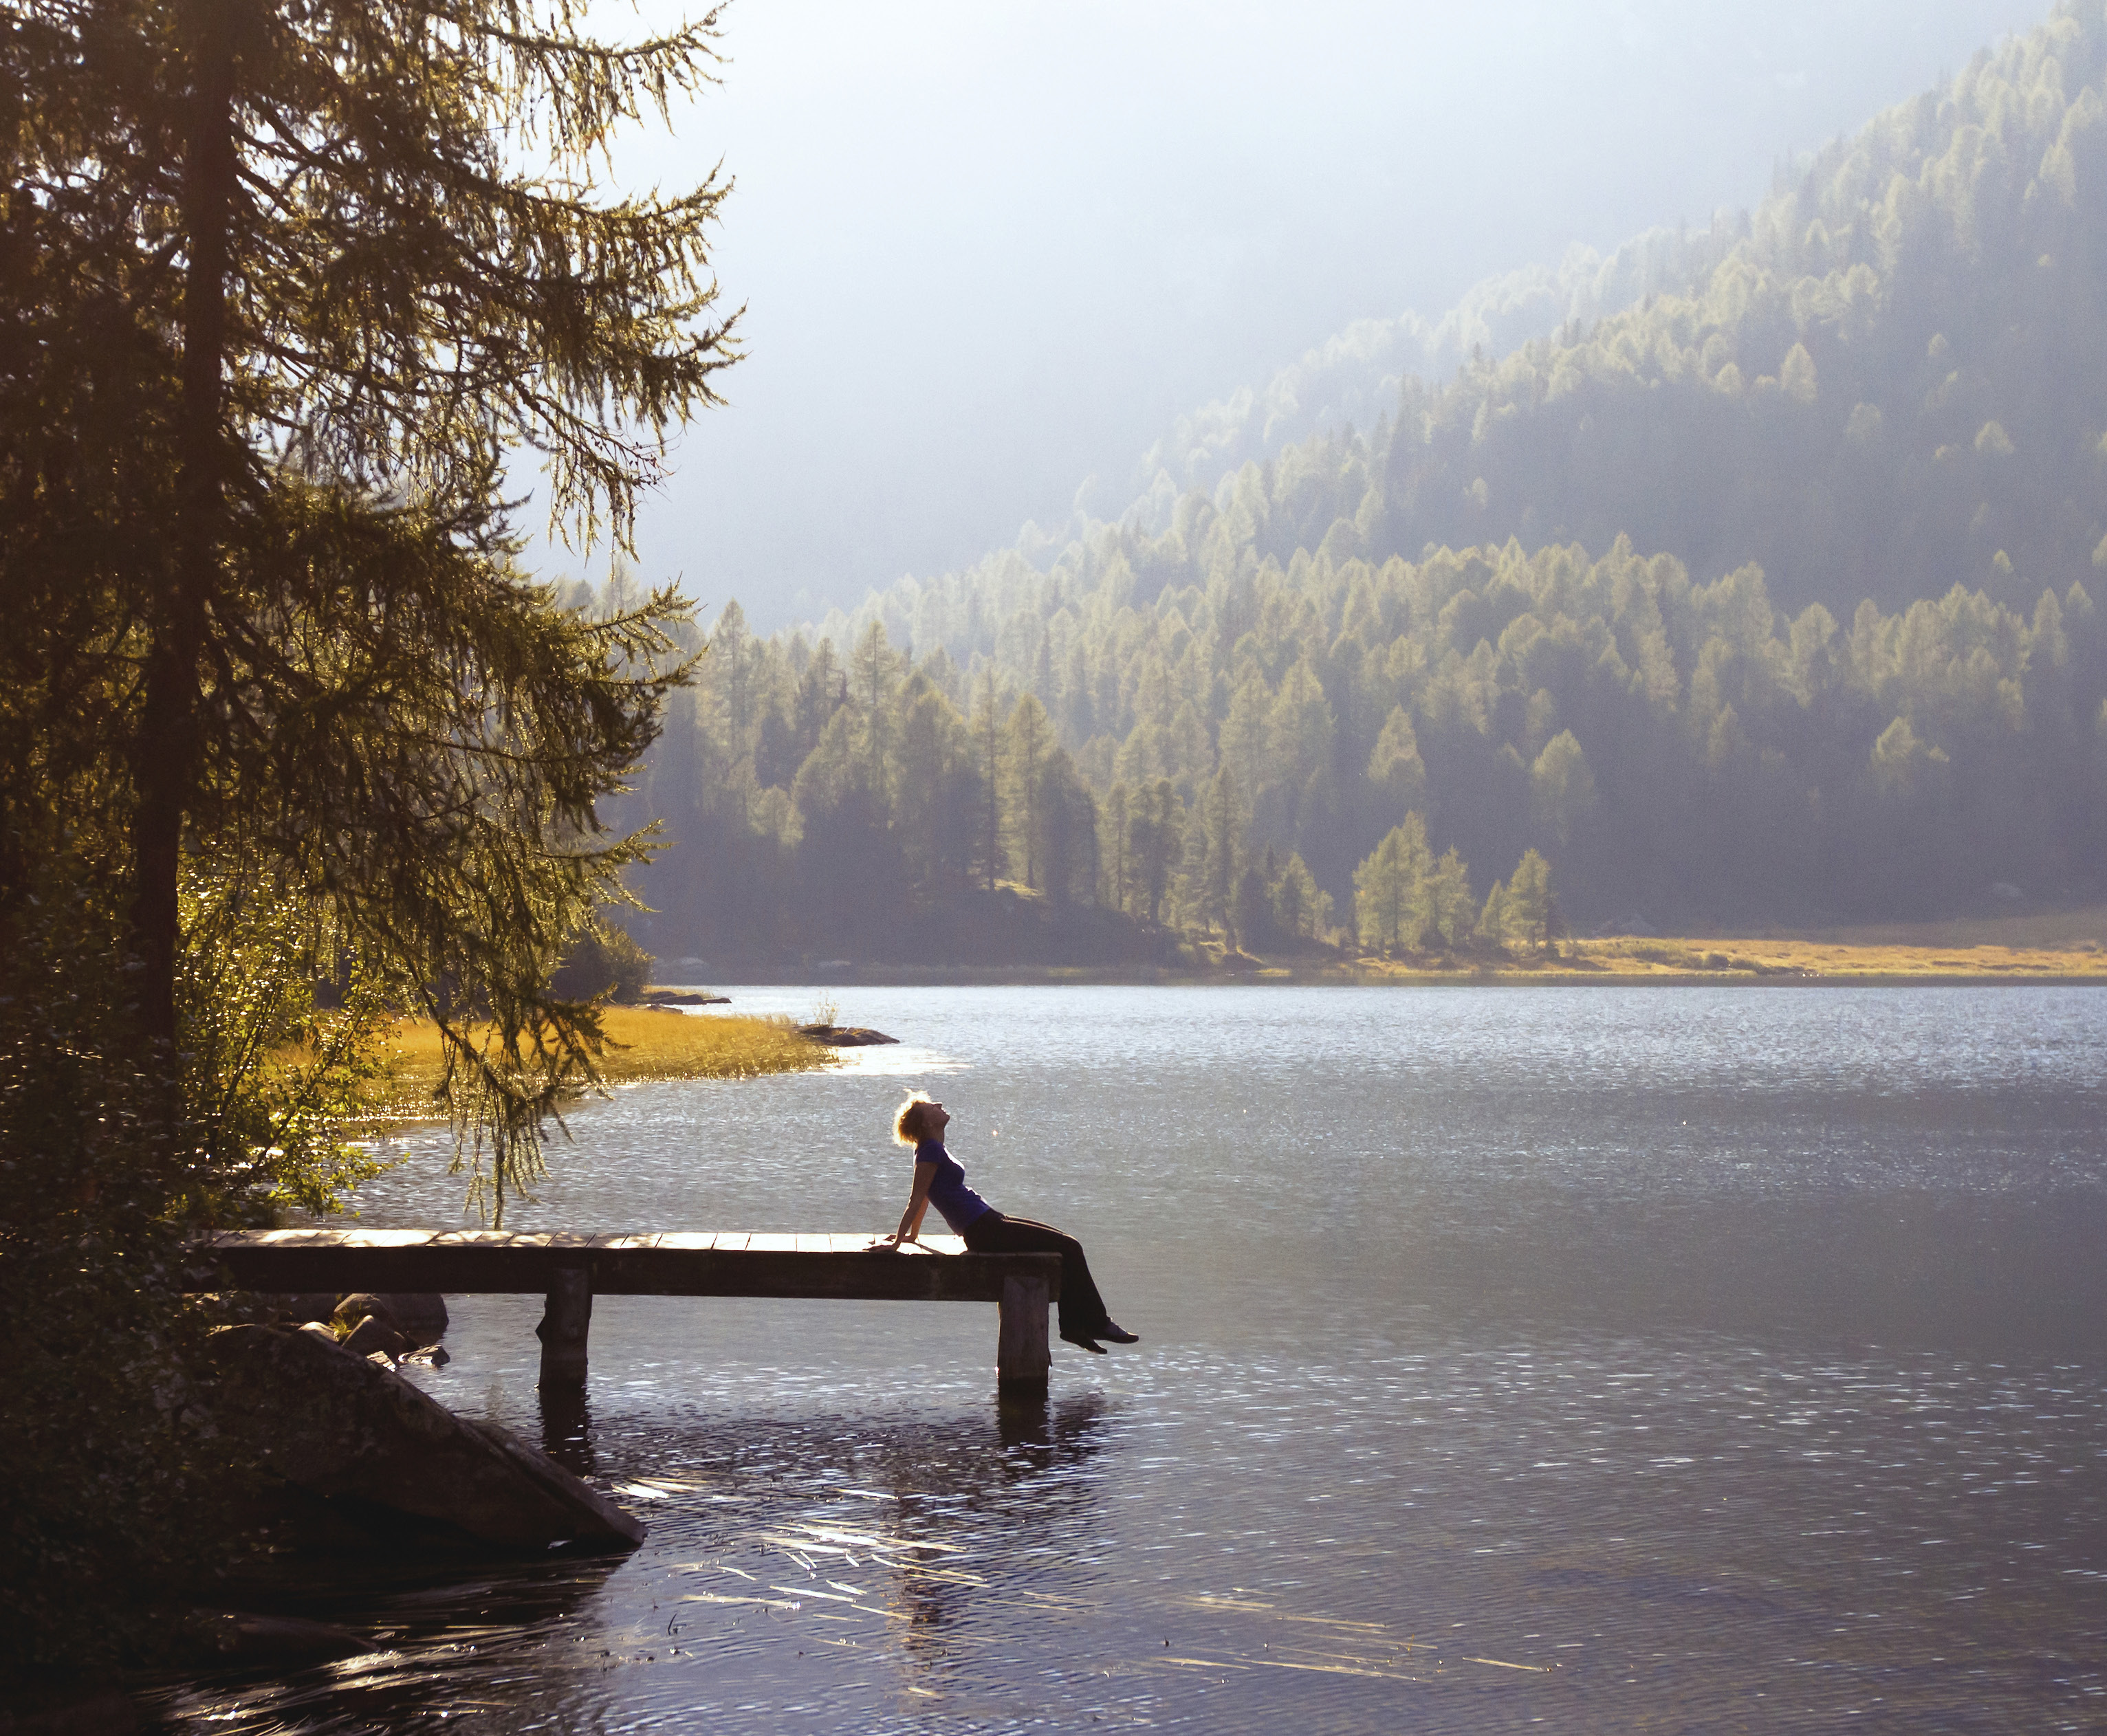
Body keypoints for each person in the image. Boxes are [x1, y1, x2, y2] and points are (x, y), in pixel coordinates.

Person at [875, 1092, 1137, 1354]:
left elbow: (924, 1199)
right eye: (930, 1106)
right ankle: (1095, 1324)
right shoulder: (929, 1150)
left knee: (1067, 1247)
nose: (939, 1104)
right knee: (1070, 1247)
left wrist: (912, 1236)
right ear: (925, 1123)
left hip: (989, 1222)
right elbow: (917, 1197)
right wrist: (899, 1242)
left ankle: (1075, 1326)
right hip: (984, 1230)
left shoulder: (932, 1148)